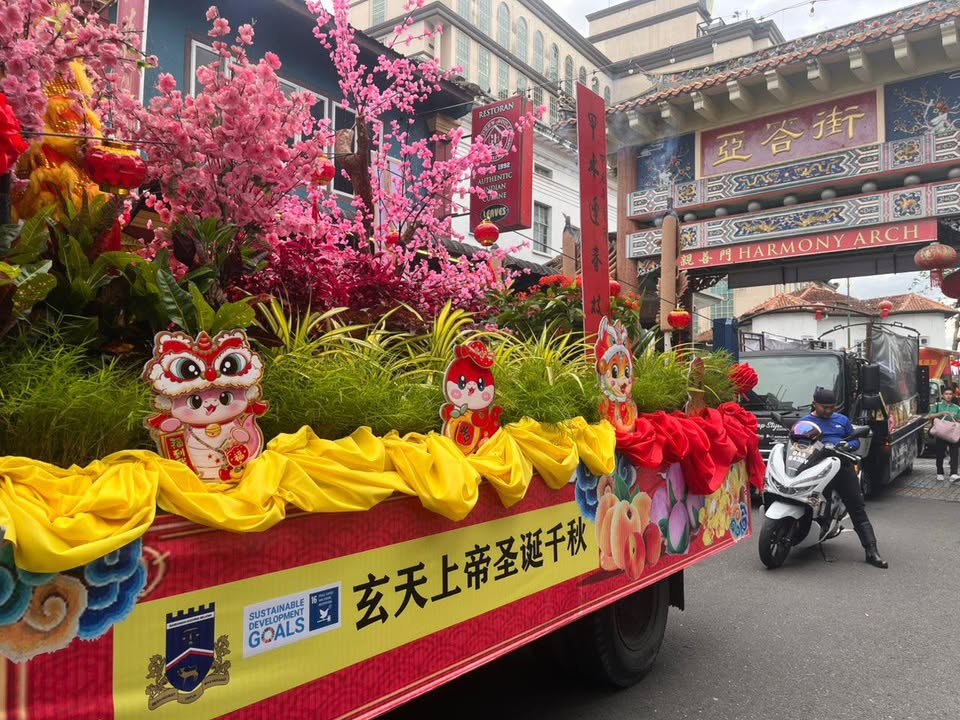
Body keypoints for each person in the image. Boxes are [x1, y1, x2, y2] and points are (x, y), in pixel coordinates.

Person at [800, 387, 888, 569]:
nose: (828, 411)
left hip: (841, 466)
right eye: (824, 407)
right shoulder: (806, 422)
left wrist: (847, 446)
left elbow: (855, 440)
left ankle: (871, 551)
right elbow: (796, 440)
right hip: (814, 468)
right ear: (814, 404)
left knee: (857, 507)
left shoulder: (842, 420)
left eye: (832, 407)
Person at [929, 387, 960, 482]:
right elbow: (930, 416)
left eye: (950, 394)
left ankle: (953, 473)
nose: (948, 396)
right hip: (941, 433)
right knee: (940, 453)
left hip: (953, 433)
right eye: (946, 394)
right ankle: (940, 472)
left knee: (954, 454)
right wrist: (941, 413)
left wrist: (955, 417)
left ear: (953, 395)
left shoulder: (957, 408)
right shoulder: (937, 405)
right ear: (943, 395)